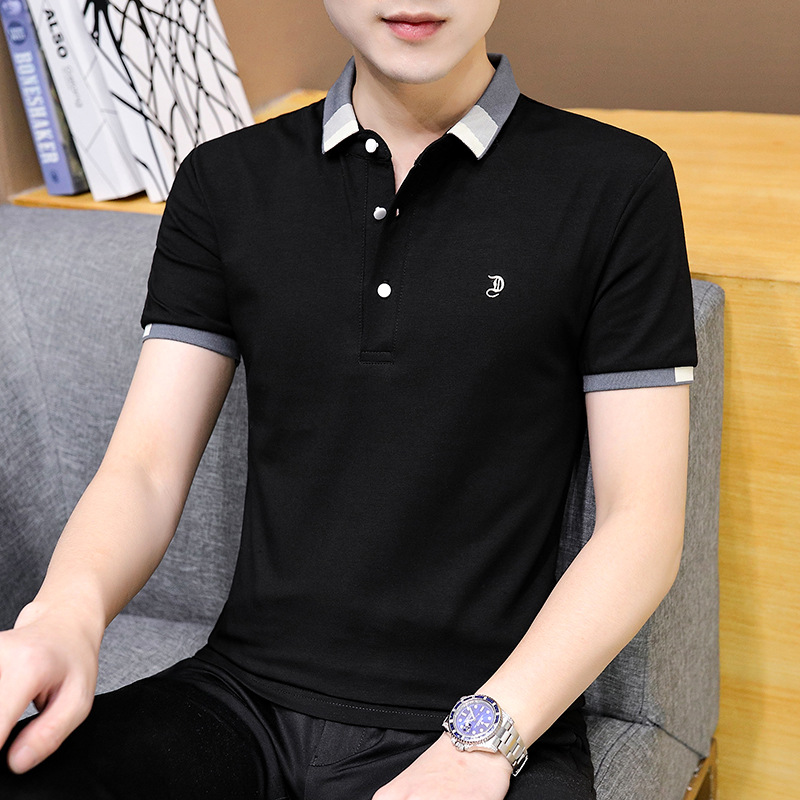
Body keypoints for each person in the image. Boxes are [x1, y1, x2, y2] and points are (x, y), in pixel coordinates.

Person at [0, 1, 698, 798]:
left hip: (484, 715)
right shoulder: (226, 181)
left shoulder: (617, 184)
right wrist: (63, 618)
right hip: (239, 700)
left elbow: (641, 524)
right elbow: (145, 468)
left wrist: (483, 741)